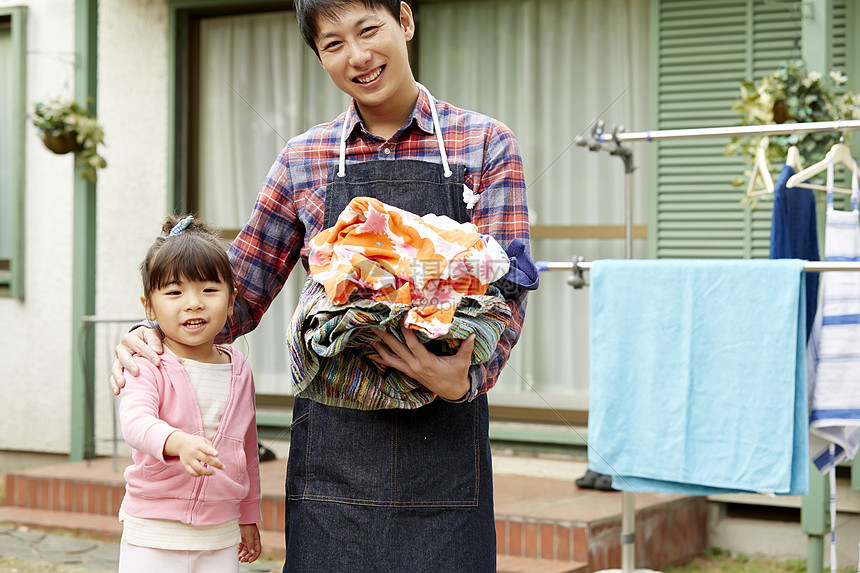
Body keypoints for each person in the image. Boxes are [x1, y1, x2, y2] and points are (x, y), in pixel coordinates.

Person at [112, 1, 537, 570]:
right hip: (334, 454)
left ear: (404, 21)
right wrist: (152, 336)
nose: (358, 56)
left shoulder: (485, 144)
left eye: (369, 30)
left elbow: (507, 286)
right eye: (334, 43)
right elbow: (238, 293)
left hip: (444, 439)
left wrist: (465, 378)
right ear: (319, 56)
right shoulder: (302, 158)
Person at [117, 215, 262, 573]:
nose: (194, 303)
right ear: (149, 307)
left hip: (220, 534)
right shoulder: (148, 363)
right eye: (174, 292)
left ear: (231, 302)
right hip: (154, 530)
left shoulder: (239, 369)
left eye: (209, 290)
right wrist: (178, 442)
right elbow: (135, 422)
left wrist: (248, 513)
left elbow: (248, 447)